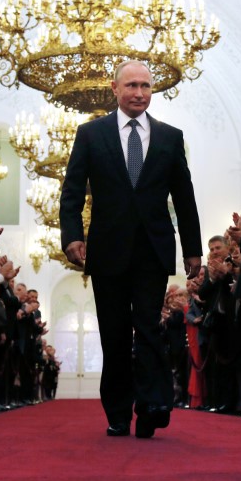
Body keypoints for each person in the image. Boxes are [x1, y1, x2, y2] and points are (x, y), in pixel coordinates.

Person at [59, 60, 202, 439]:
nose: (140, 93)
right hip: (106, 249)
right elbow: (72, 191)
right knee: (115, 333)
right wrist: (72, 235)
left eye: (146, 86)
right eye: (132, 86)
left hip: (153, 249)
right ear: (115, 89)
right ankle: (119, 413)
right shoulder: (90, 133)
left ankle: (153, 404)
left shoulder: (171, 137)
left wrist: (193, 249)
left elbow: (184, 198)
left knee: (148, 328)